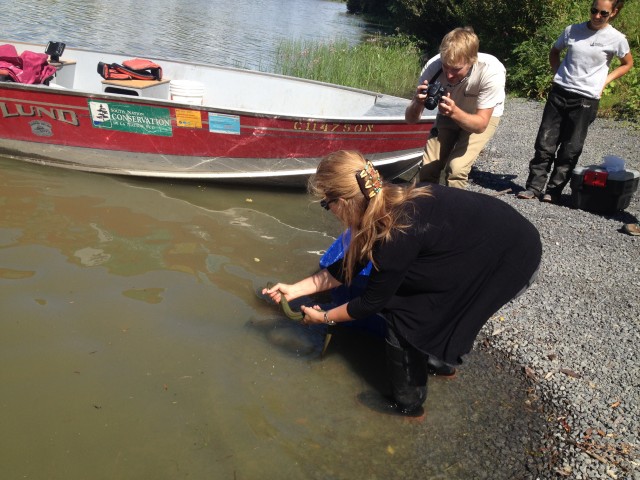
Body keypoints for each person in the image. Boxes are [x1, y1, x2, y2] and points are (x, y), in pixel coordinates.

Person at [263, 151, 542, 417]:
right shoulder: (382, 197)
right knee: (421, 297)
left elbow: (371, 303)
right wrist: (294, 289)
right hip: (489, 242)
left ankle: (408, 404)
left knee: (403, 314)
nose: (329, 210)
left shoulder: (397, 231)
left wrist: (323, 317)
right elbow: (345, 267)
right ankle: (439, 361)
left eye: (327, 204)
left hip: (512, 260)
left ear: (345, 202)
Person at [518, 0, 633, 203]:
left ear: (613, 13)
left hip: (586, 98)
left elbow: (627, 63)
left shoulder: (617, 38)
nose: (597, 16)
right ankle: (534, 187)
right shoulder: (572, 30)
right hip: (559, 92)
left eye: (603, 13)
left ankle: (553, 191)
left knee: (570, 148)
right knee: (545, 142)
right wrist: (557, 73)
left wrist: (606, 80)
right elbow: (555, 51)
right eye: (593, 11)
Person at [405, 27, 506, 189]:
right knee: (428, 168)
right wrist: (417, 102)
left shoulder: (491, 71)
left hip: (481, 116)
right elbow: (411, 120)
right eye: (446, 67)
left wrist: (455, 112)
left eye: (456, 69)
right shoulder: (434, 68)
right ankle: (427, 208)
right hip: (450, 111)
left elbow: (480, 125)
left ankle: (456, 211)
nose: (449, 75)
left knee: (456, 168)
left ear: (472, 61)